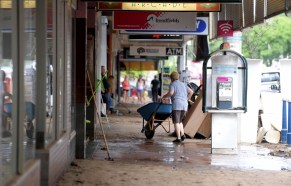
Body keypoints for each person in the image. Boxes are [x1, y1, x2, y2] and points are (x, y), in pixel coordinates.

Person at [162, 71, 193, 143]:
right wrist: (187, 99)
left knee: (176, 122)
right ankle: (182, 135)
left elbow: (171, 93)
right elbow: (191, 92)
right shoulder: (183, 84)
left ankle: (178, 138)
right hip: (184, 104)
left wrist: (164, 96)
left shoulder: (173, 84)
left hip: (177, 104)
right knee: (180, 121)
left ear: (172, 78)